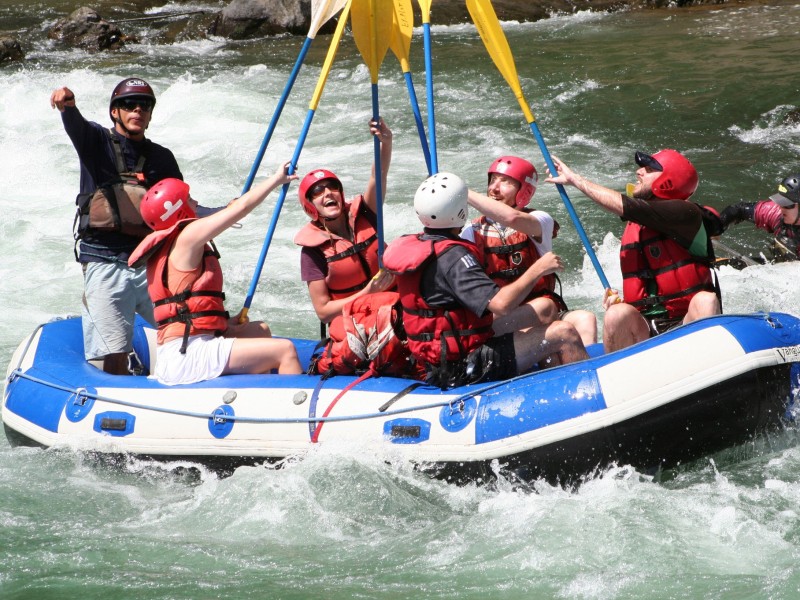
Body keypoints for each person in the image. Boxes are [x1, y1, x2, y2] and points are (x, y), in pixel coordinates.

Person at [383, 172, 589, 389]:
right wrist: (538, 269)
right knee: (564, 333)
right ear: (460, 211)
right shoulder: (454, 257)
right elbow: (501, 304)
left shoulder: (418, 244)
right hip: (464, 366)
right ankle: (584, 394)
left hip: (438, 356)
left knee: (545, 308)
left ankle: (553, 380)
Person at [51, 78, 184, 375]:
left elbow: (181, 208)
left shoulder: (162, 158)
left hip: (149, 262)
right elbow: (75, 124)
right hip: (104, 260)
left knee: (186, 332)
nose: (137, 110)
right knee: (114, 353)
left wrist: (230, 210)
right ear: (115, 112)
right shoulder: (96, 142)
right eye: (129, 104)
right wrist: (67, 104)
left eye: (144, 105)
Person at [128, 162, 303, 386]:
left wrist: (223, 323)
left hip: (186, 346)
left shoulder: (171, 244)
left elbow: (185, 309)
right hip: (188, 353)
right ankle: (295, 405)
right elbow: (240, 209)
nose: (196, 202)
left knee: (260, 330)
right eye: (189, 199)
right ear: (177, 208)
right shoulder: (187, 236)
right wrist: (276, 179)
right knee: (285, 350)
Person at [545, 149, 721, 353]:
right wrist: (621, 302)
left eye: (648, 170)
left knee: (705, 300)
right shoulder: (639, 225)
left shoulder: (685, 213)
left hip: (686, 319)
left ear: (669, 181)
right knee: (617, 313)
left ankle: (710, 360)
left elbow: (624, 205)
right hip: (645, 327)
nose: (639, 172)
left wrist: (575, 180)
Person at [462, 155, 597, 347]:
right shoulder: (471, 232)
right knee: (544, 307)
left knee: (586, 319)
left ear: (523, 191)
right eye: (493, 180)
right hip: (498, 318)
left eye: (505, 182)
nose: (494, 188)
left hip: (540, 312)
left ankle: (586, 364)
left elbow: (512, 218)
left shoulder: (540, 220)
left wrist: (463, 191)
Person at [294, 118, 395, 336]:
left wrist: (385, 143)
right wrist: (368, 292)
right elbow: (323, 312)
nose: (327, 193)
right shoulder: (312, 252)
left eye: (332, 187)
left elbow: (378, 176)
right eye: (318, 192)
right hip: (355, 320)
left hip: (392, 304)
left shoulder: (366, 214)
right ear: (310, 206)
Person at [719, 174, 800, 261]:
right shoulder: (775, 212)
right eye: (781, 202)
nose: (781, 208)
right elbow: (738, 210)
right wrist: (714, 229)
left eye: (787, 205)